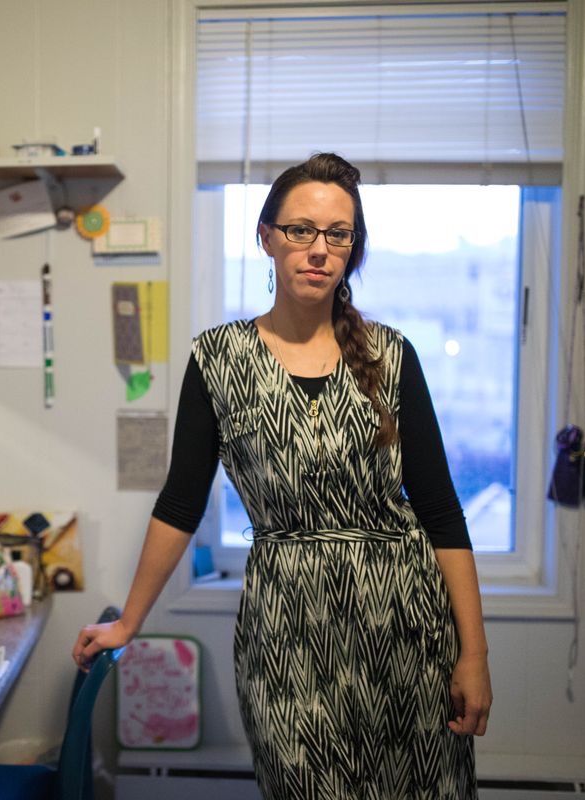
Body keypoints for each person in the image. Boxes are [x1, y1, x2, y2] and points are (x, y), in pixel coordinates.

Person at [74, 153, 492, 799]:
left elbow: (440, 510)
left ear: (352, 248)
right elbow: (181, 502)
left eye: (338, 234)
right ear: (266, 237)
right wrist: (129, 622)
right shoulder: (217, 360)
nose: (319, 249)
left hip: (405, 627)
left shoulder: (391, 355)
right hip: (285, 633)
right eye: (301, 230)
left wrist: (474, 655)